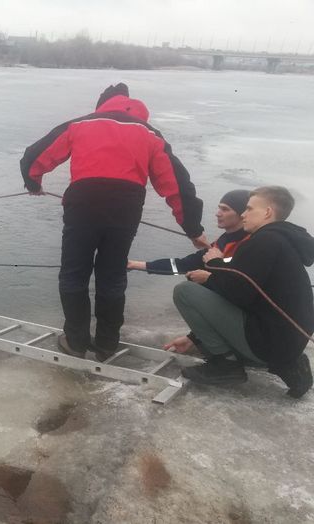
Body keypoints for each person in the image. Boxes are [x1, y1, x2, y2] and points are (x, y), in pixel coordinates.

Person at [20, 82, 207, 361]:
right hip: (126, 207)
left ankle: (76, 341)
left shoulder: (81, 124)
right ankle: (107, 343)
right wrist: (193, 229)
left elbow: (33, 156)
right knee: (112, 274)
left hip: (83, 203)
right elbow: (178, 185)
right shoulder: (149, 134)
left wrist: (33, 182)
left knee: (74, 272)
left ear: (102, 104)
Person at [170, 186, 314, 398]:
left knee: (185, 291)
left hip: (270, 343)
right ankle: (288, 365)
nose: (243, 214)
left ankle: (226, 365)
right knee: (213, 302)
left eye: (248, 208)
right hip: (289, 341)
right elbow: (252, 293)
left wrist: (214, 265)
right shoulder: (284, 241)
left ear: (267, 212)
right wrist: (195, 338)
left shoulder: (262, 241)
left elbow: (237, 294)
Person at [128, 189, 251, 275]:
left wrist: (209, 276)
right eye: (219, 208)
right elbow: (184, 265)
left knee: (188, 288)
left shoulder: (250, 243)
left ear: (242, 214)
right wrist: (134, 265)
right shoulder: (224, 240)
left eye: (225, 209)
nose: (217, 213)